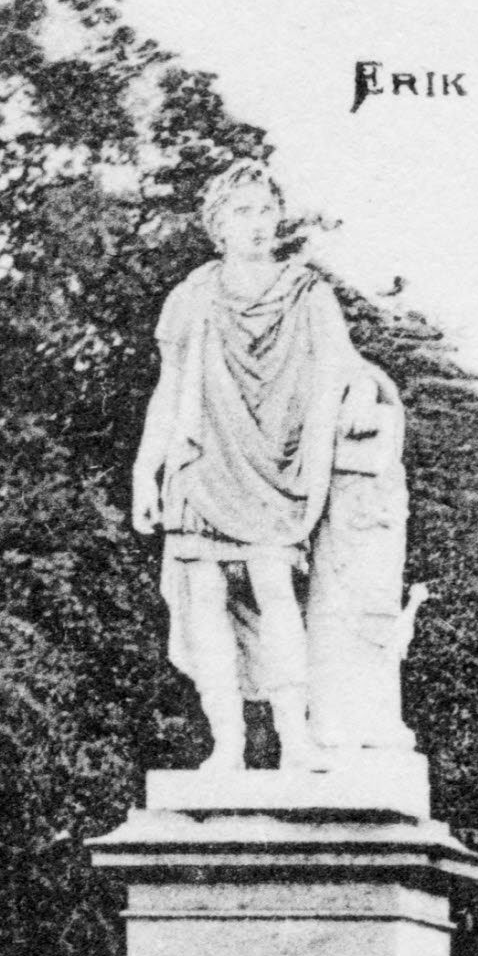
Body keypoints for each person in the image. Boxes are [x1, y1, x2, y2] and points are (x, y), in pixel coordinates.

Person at [134, 161, 365, 771]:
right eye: (243, 212)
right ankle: (228, 745)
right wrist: (144, 472)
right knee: (204, 599)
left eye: (266, 209)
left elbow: (344, 367)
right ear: (218, 224)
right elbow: (170, 386)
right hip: (203, 462)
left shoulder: (307, 291)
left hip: (276, 465)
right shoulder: (192, 297)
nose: (258, 224)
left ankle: (295, 739)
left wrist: (367, 398)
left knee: (273, 589)